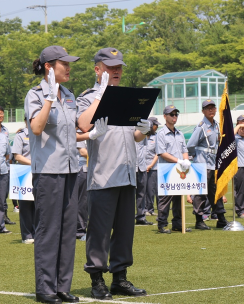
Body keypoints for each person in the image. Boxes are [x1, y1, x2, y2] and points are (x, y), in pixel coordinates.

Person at [77, 48, 150, 300]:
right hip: (103, 176)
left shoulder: (127, 96)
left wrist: (145, 129)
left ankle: (120, 278)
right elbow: (84, 125)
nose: (116, 71)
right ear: (98, 70)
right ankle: (97, 280)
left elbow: (134, 135)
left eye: (119, 67)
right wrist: (103, 94)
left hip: (127, 173)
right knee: (98, 231)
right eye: (110, 67)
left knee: (124, 231)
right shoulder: (88, 97)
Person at [25, 45, 80, 304]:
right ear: (49, 67)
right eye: (63, 64)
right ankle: (46, 289)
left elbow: (77, 129)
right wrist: (49, 97)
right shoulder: (35, 95)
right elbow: (36, 128)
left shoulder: (69, 94)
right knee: (49, 231)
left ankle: (62, 286)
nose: (68, 68)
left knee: (69, 231)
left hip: (71, 169)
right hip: (48, 172)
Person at [186, 99, 228, 230]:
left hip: (213, 163)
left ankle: (221, 218)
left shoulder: (216, 125)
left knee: (215, 192)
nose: (211, 110)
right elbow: (190, 145)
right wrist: (197, 158)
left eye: (212, 107)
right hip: (202, 163)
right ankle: (199, 220)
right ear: (203, 111)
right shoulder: (201, 126)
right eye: (207, 108)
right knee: (200, 193)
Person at [156, 105, 192, 234]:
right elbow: (162, 153)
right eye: (171, 114)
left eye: (176, 114)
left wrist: (186, 160)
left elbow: (184, 150)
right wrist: (179, 161)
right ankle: (162, 224)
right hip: (167, 169)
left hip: (179, 169)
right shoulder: (161, 133)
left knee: (179, 198)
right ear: (165, 117)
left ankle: (178, 223)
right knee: (165, 198)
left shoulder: (180, 133)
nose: (174, 117)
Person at [11, 117, 35, 244]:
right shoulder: (20, 136)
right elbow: (17, 156)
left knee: (39, 204)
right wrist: (33, 163)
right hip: (23, 171)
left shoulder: (42, 133)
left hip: (40, 171)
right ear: (25, 121)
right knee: (25, 206)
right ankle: (27, 235)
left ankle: (38, 233)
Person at [135, 125, 153, 225]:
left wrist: (146, 164)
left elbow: (145, 148)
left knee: (141, 193)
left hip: (142, 166)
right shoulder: (128, 129)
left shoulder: (143, 129)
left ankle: (141, 217)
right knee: (128, 194)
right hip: (130, 166)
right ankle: (126, 218)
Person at [145, 117, 160, 216]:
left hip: (153, 167)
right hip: (141, 167)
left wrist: (150, 165)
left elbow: (157, 153)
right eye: (155, 125)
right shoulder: (141, 136)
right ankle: (145, 209)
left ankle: (150, 209)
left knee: (151, 189)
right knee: (143, 190)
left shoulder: (156, 137)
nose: (157, 126)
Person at [76, 136, 88, 240]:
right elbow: (83, 152)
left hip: (95, 169)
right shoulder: (79, 133)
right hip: (83, 170)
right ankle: (80, 230)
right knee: (82, 201)